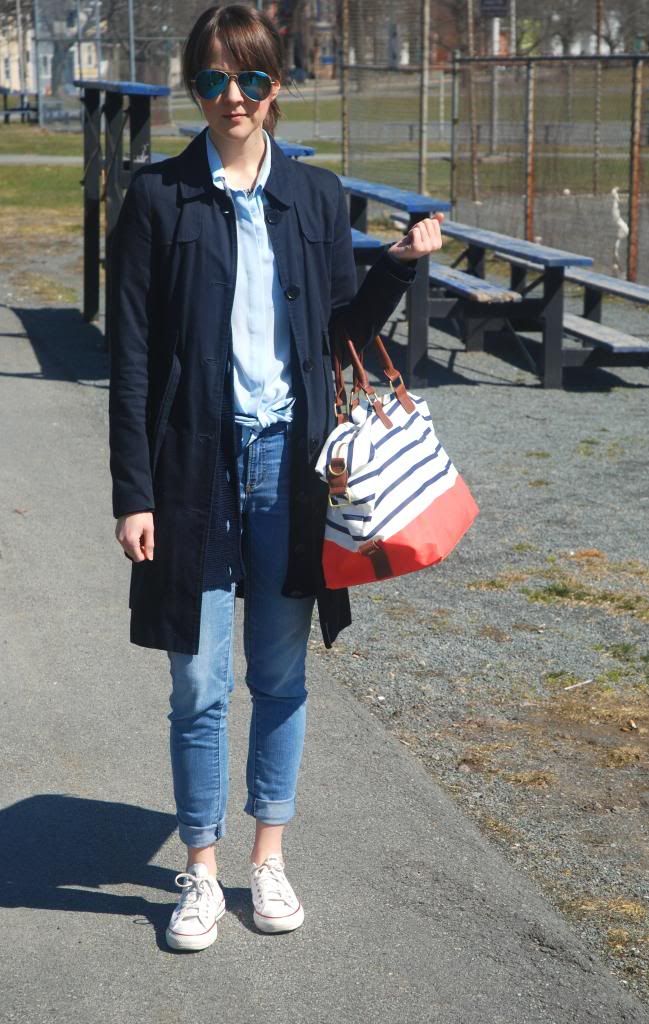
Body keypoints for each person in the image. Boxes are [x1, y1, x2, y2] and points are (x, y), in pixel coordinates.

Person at [108, 2, 444, 953]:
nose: (234, 97)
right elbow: (130, 360)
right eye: (214, 80)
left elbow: (339, 332)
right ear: (194, 89)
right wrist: (133, 493)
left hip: (290, 465)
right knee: (197, 681)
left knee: (281, 676)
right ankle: (201, 868)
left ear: (275, 86)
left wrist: (395, 268)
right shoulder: (157, 198)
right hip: (193, 468)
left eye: (250, 79)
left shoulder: (313, 195)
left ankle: (268, 859)